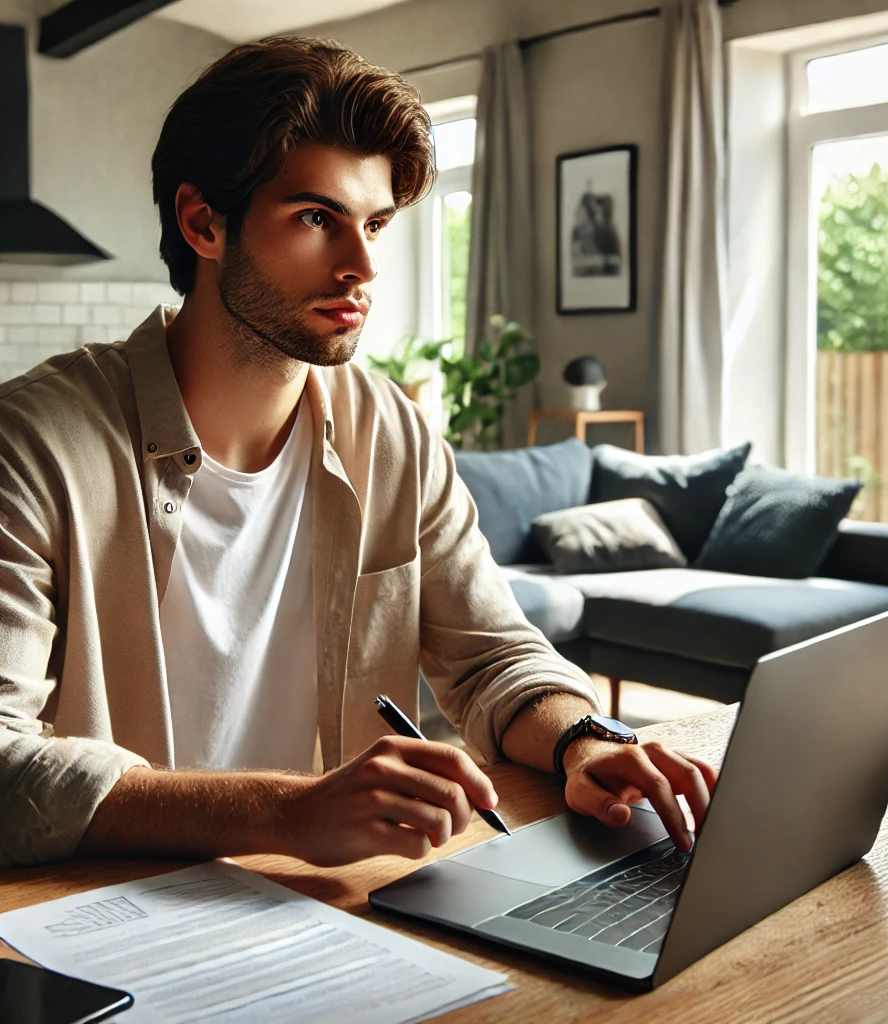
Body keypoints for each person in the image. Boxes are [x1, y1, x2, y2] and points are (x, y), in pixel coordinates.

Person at [0, 37, 716, 869]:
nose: (363, 265)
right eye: (317, 219)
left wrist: (584, 742)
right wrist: (284, 811)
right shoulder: (34, 445)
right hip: (94, 923)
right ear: (203, 222)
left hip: (335, 905)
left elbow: (494, 657)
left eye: (375, 223)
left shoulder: (394, 431)